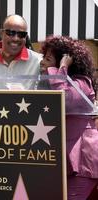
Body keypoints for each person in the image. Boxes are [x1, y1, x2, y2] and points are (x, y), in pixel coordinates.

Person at [39, 35, 98, 200]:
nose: (42, 62)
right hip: (64, 159)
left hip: (83, 160)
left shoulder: (83, 83)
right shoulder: (49, 84)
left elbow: (64, 99)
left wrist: (62, 68)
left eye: (48, 58)